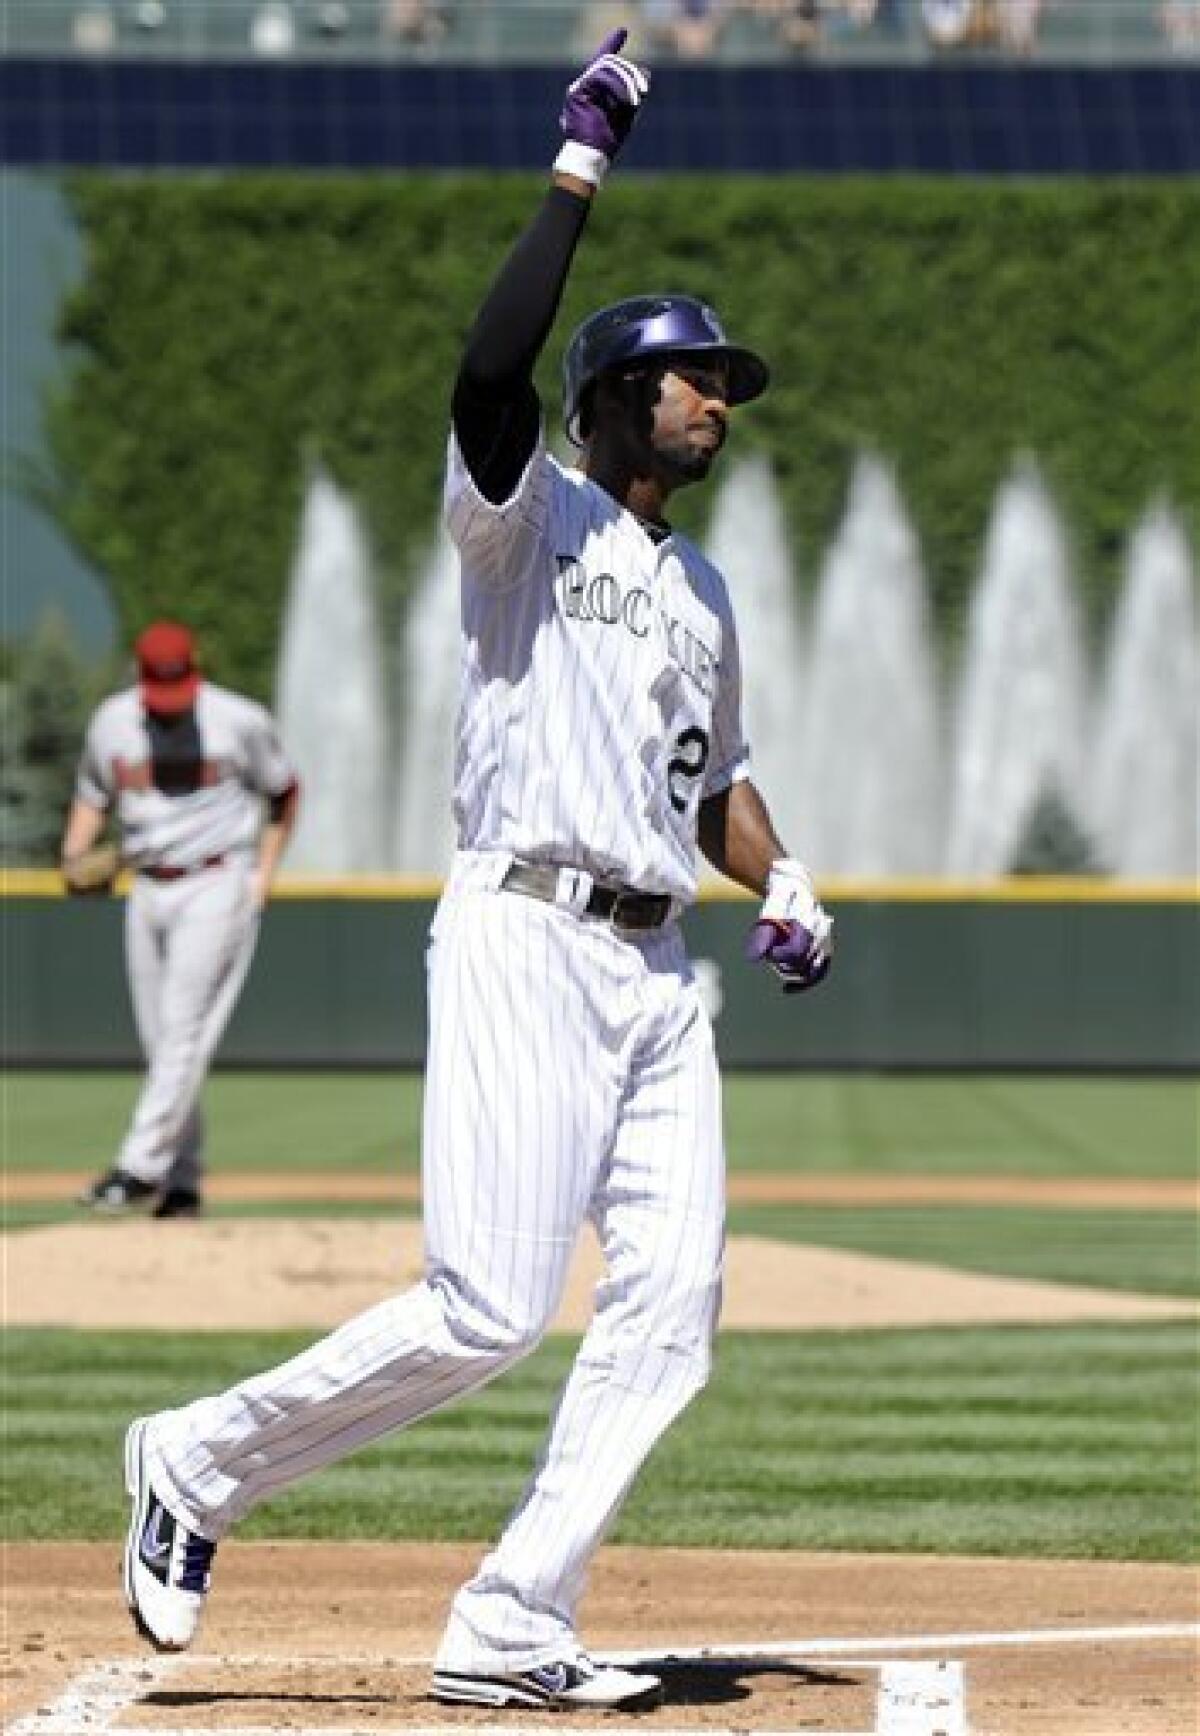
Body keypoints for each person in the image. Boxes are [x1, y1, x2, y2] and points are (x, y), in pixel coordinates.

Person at [119, 27, 833, 1713]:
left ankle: (514, 1617)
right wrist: (577, 163)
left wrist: (785, 875)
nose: (717, 394)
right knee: (490, 1303)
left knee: (671, 1315)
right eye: (691, 372)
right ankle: (196, 1464)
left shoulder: (706, 593)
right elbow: (490, 363)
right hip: (524, 929)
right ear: (609, 401)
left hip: (662, 978)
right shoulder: (530, 517)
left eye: (721, 378)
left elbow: (714, 781)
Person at [65, 620, 300, 1219]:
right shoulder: (113, 723)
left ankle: (139, 1167)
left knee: (180, 1027)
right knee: (164, 1040)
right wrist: (72, 857)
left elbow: (284, 791)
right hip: (147, 888)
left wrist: (264, 873)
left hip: (217, 880)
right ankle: (183, 1181)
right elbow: (92, 796)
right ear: (140, 679)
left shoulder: (238, 719)